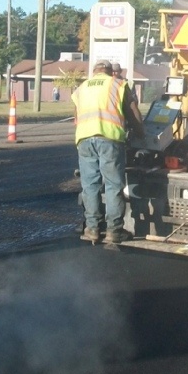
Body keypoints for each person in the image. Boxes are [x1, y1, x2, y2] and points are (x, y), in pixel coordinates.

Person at [72, 60, 144, 244]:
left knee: (90, 185)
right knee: (113, 185)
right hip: (109, 138)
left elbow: (76, 117)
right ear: (111, 72)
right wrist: (141, 133)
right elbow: (133, 112)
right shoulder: (117, 85)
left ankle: (93, 229)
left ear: (94, 72)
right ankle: (114, 231)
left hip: (84, 140)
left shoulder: (82, 88)